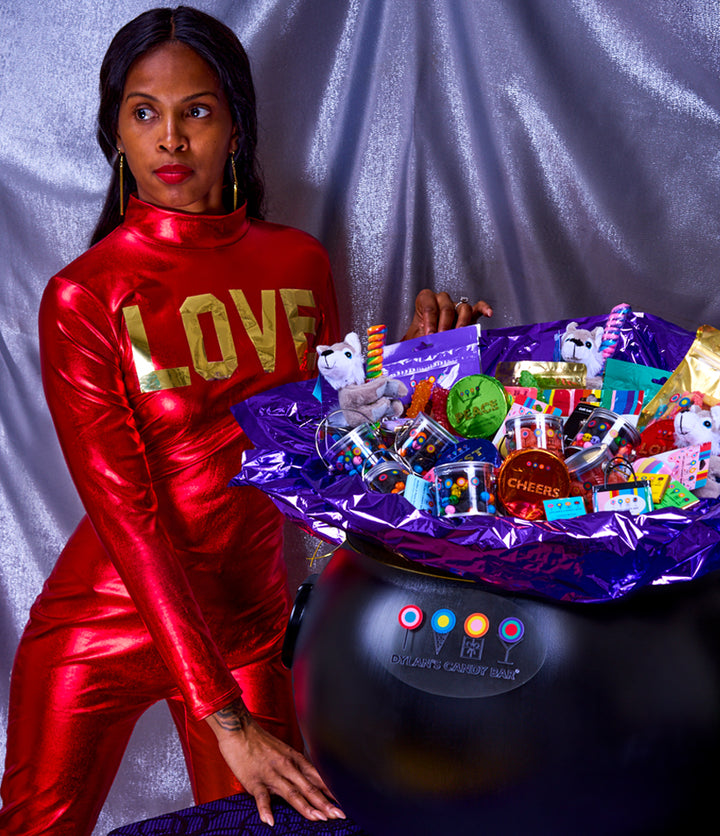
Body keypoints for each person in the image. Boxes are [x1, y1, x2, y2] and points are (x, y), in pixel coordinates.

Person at [0, 7, 490, 835]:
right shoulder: (86, 295)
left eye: (196, 110)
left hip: (246, 627)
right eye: (144, 113)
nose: (171, 138)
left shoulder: (297, 261)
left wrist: (418, 374)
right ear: (116, 133)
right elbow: (128, 518)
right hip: (107, 620)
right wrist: (224, 718)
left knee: (281, 827)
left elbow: (325, 449)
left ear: (236, 127)